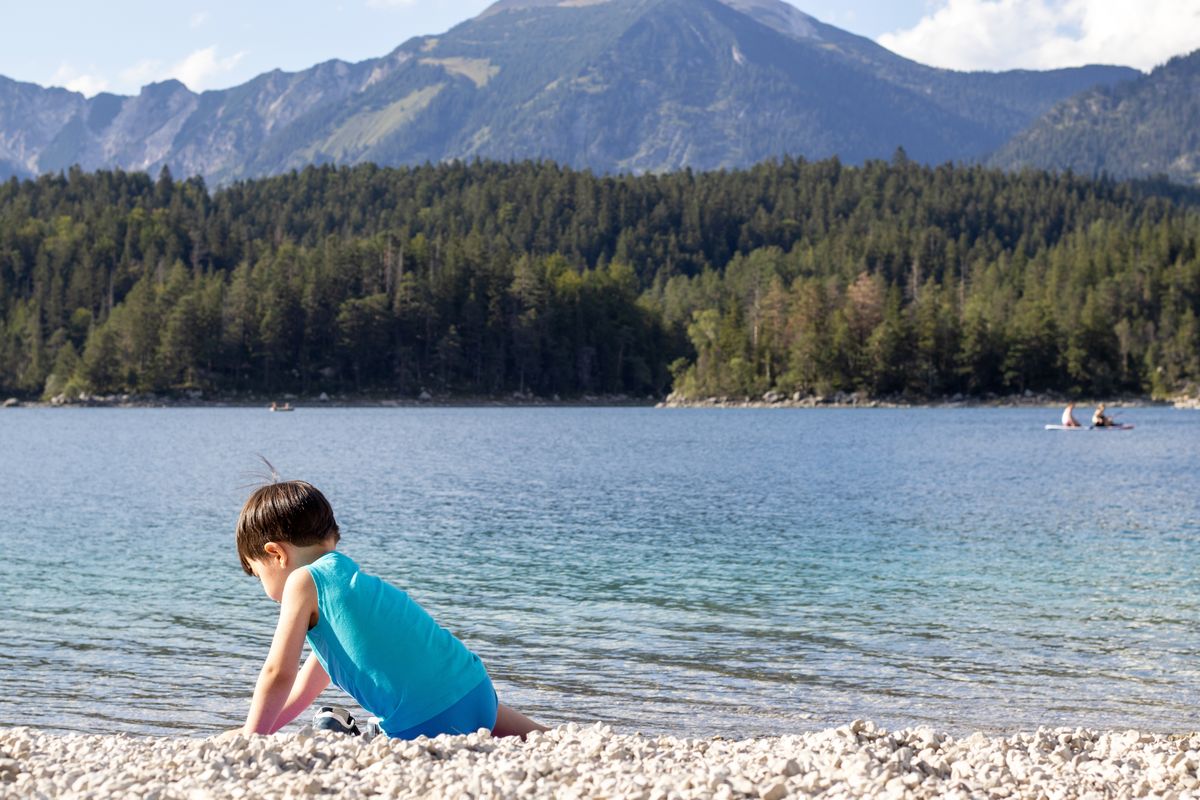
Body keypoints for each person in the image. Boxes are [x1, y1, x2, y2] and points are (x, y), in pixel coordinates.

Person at [234, 480, 548, 740]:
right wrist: (258, 728)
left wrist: (251, 740)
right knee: (539, 738)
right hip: (477, 694)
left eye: (257, 573)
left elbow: (279, 674)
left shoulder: (302, 582)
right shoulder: (349, 592)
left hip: (425, 722)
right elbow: (302, 691)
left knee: (332, 727)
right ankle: (547, 735)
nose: (264, 586)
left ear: (276, 555)